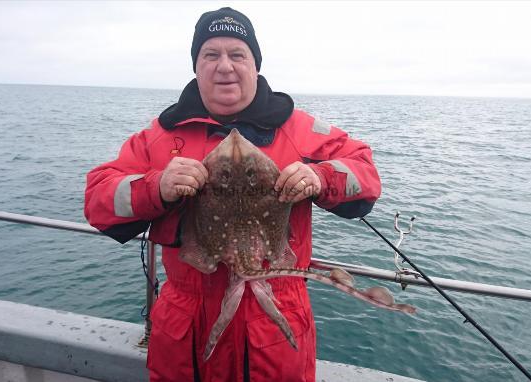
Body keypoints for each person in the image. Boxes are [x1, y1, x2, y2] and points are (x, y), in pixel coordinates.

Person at [84, 7, 381, 382]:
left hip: (274, 329)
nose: (225, 66)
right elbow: (97, 198)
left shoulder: (302, 130)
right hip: (185, 328)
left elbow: (366, 174)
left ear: (255, 64)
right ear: (196, 66)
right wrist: (155, 187)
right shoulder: (161, 136)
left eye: (237, 54)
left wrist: (321, 177)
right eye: (211, 54)